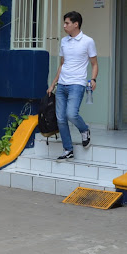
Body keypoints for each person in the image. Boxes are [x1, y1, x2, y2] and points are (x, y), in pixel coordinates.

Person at [47, 11, 98, 159]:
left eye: (67, 23)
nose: (64, 26)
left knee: (71, 114)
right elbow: (62, 64)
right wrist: (53, 83)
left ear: (76, 24)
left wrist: (93, 79)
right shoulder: (64, 41)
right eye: (64, 23)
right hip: (62, 84)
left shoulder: (88, 41)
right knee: (60, 118)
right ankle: (67, 149)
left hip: (77, 83)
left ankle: (84, 130)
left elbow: (94, 64)